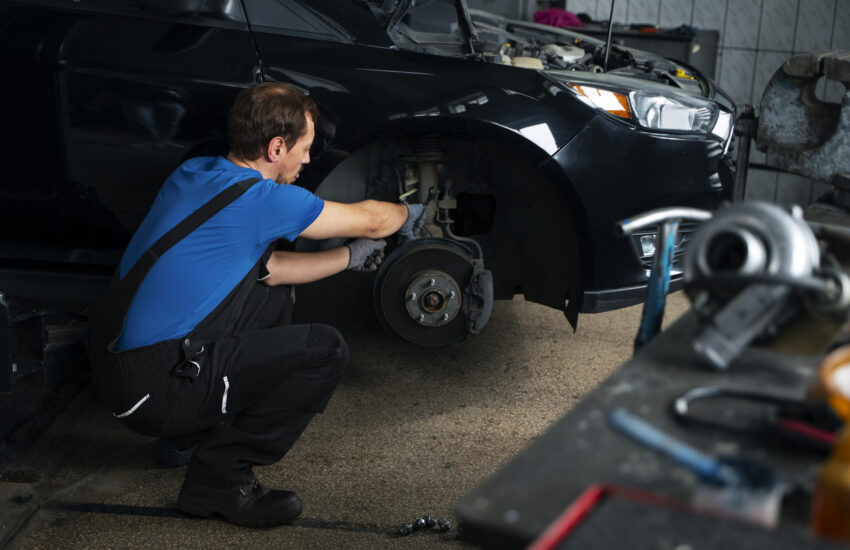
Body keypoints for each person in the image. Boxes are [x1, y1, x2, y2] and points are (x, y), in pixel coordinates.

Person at [85, 82, 425, 527]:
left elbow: (273, 269)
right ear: (276, 146)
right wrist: (414, 214)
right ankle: (218, 481)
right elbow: (377, 219)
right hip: (152, 390)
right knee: (324, 351)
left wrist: (351, 257)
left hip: (119, 367)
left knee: (270, 297)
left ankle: (183, 438)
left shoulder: (197, 172)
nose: (308, 159)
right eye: (304, 148)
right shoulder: (264, 201)